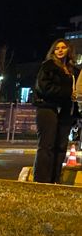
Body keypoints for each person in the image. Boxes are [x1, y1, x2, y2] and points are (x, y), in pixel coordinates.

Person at [32, 39, 79, 183]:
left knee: (61, 146)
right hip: (47, 108)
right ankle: (41, 180)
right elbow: (43, 88)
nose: (60, 50)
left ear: (68, 50)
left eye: (63, 47)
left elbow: (76, 94)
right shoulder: (48, 66)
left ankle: (55, 179)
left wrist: (76, 114)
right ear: (53, 51)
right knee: (47, 145)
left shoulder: (73, 70)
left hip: (66, 111)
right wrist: (67, 92)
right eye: (56, 48)